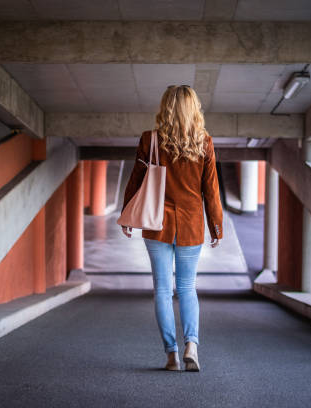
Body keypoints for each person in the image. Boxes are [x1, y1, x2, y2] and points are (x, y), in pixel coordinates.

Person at [120, 85, 223, 372]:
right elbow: (211, 190)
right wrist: (216, 226)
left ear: (165, 107)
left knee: (163, 290)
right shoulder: (205, 143)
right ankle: (192, 344)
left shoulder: (150, 140)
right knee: (188, 287)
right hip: (190, 224)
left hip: (157, 224)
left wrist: (127, 215)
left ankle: (171, 355)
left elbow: (136, 181)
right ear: (194, 108)